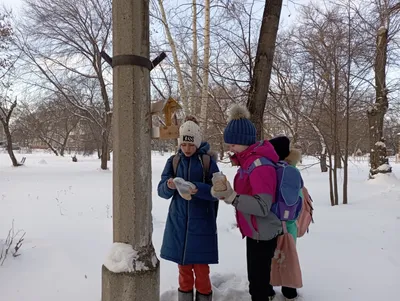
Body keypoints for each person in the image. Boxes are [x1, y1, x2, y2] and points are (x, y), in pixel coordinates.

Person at [211, 105, 282, 301]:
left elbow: (262, 206)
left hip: (262, 232)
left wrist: (232, 197)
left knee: (257, 285)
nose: (230, 148)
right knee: (261, 280)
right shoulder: (248, 162)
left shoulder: (259, 166)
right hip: (255, 230)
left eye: (233, 144)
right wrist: (226, 193)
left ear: (244, 141)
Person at [158, 116, 219, 301]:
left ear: (198, 142)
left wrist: (197, 188)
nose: (187, 149)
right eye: (183, 144)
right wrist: (168, 185)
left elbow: (218, 191)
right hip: (179, 224)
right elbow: (161, 191)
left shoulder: (207, 162)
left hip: (201, 225)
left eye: (191, 145)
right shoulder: (173, 161)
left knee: (201, 272)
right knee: (184, 271)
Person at [269, 136, 304, 301]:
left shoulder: (269, 169)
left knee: (269, 255)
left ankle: (268, 288)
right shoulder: (294, 171)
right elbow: (300, 197)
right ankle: (289, 290)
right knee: (289, 254)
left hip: (270, 221)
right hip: (290, 223)